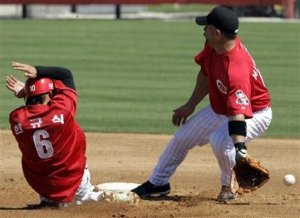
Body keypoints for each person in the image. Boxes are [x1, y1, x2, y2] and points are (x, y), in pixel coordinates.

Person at [132, 6, 272, 203]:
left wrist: (240, 148)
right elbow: (206, 74)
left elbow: (238, 114)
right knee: (182, 138)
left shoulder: (236, 69)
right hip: (221, 108)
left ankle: (228, 186)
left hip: (255, 113)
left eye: (206, 27)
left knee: (220, 140)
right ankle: (158, 183)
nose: (203, 30)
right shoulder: (214, 46)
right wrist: (191, 105)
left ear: (217, 33)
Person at [6, 62, 138, 208]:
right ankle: (95, 197)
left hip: (43, 185)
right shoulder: (62, 109)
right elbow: (66, 75)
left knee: (47, 178)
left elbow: (32, 112)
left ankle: (52, 201)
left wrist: (27, 93)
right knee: (83, 195)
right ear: (50, 94)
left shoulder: (17, 119)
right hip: (73, 177)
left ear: (28, 97)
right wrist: (37, 70)